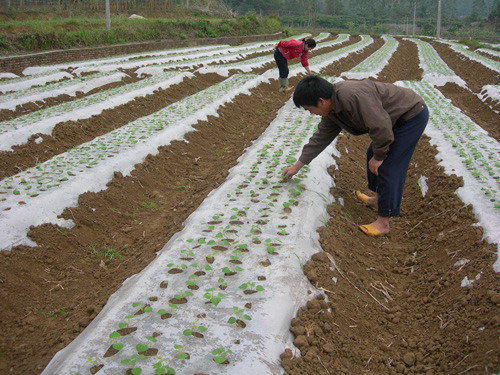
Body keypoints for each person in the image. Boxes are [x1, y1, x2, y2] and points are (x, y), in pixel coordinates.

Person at [283, 75, 429, 236]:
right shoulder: (332, 109)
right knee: (371, 154)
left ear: (321, 101)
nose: (312, 114)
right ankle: (377, 200)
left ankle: (383, 223)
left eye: (310, 109)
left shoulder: (352, 96)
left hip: (410, 115)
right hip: (391, 119)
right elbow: (321, 138)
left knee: (389, 165)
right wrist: (297, 166)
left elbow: (381, 126)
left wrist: (379, 157)